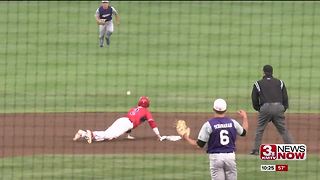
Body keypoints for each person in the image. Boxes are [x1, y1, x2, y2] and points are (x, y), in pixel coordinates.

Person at [181, 98, 249, 180]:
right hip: (230, 157)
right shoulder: (233, 122)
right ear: (226, 110)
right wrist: (245, 117)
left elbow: (199, 144)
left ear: (213, 109)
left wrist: (186, 138)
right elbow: (244, 133)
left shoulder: (208, 124)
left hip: (216, 158)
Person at [73, 96, 162, 143]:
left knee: (106, 136)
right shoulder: (146, 111)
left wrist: (128, 135)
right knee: (108, 135)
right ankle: (91, 133)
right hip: (126, 124)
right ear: (147, 104)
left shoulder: (133, 109)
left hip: (121, 120)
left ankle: (82, 133)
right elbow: (152, 123)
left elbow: (131, 120)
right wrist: (158, 135)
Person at [250, 65, 294, 155]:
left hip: (265, 108)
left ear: (263, 72)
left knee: (260, 130)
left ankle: (255, 150)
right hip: (279, 107)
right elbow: (285, 97)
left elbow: (254, 98)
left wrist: (259, 109)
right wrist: (283, 108)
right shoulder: (280, 82)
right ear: (272, 72)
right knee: (283, 129)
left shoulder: (258, 83)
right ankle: (292, 148)